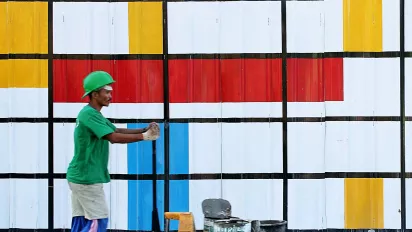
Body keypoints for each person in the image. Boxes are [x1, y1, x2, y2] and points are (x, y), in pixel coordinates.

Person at [66, 70, 160, 232]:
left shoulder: (92, 114)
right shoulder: (89, 115)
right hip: (87, 178)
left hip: (81, 176)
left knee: (81, 222)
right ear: (95, 94)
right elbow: (113, 137)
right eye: (107, 92)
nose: (110, 96)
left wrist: (143, 129)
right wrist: (144, 136)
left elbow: (116, 130)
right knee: (99, 221)